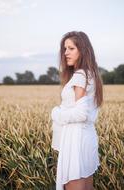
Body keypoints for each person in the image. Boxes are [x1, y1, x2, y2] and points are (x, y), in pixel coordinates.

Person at [51, 31, 103, 190]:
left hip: (75, 141)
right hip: (85, 138)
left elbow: (81, 113)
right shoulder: (90, 73)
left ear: (83, 50)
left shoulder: (80, 75)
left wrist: (56, 113)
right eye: (65, 48)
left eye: (71, 48)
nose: (66, 52)